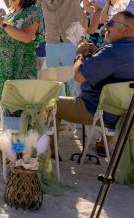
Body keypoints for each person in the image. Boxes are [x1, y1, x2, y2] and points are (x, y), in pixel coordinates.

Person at [56, 11, 134, 154]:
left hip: (97, 112)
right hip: (127, 115)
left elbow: (79, 76)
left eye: (110, 23)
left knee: (48, 103)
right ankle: (103, 144)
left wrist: (80, 55)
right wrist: (98, 52)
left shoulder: (112, 52)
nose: (105, 27)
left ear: (125, 29)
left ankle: (48, 154)